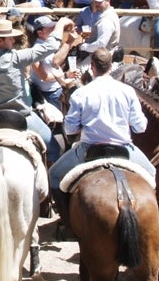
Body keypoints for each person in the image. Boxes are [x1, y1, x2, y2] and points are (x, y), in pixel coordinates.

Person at [48, 47, 152, 223]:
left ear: (92, 66)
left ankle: (67, 223)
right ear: (111, 66)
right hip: (124, 149)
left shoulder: (81, 93)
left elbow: (71, 129)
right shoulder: (127, 91)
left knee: (54, 175)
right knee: (152, 173)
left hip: (90, 149)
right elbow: (141, 127)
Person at [0, 16, 77, 162]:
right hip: (23, 117)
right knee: (54, 149)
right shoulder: (18, 58)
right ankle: (53, 182)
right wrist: (61, 23)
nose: (13, 40)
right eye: (10, 38)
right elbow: (49, 47)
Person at [28, 15, 79, 110]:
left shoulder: (47, 46)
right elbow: (45, 77)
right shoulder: (36, 51)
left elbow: (55, 65)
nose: (54, 30)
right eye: (50, 28)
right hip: (50, 92)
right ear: (40, 33)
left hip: (56, 88)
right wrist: (65, 75)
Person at [76, 0, 120, 64]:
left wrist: (84, 47)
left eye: (100, 2)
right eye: (95, 2)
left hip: (102, 58)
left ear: (108, 1)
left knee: (77, 71)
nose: (97, 4)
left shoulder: (106, 21)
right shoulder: (110, 14)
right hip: (104, 55)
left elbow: (101, 44)